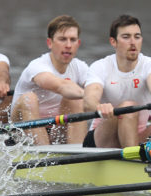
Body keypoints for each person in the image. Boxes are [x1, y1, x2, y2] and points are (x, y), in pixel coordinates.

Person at [82, 14, 151, 148]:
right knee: (128, 107)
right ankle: (135, 161)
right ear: (113, 42)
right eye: (126, 37)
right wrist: (99, 106)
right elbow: (89, 99)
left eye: (137, 37)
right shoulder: (100, 66)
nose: (133, 42)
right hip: (103, 138)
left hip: (137, 137)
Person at [9, 15, 90, 145]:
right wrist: (89, 95)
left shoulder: (80, 67)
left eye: (73, 40)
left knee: (75, 101)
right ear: (50, 43)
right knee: (29, 99)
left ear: (78, 43)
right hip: (22, 131)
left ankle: (79, 151)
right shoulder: (37, 66)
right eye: (62, 39)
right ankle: (45, 155)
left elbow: (97, 87)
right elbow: (60, 86)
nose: (68, 45)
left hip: (55, 129)